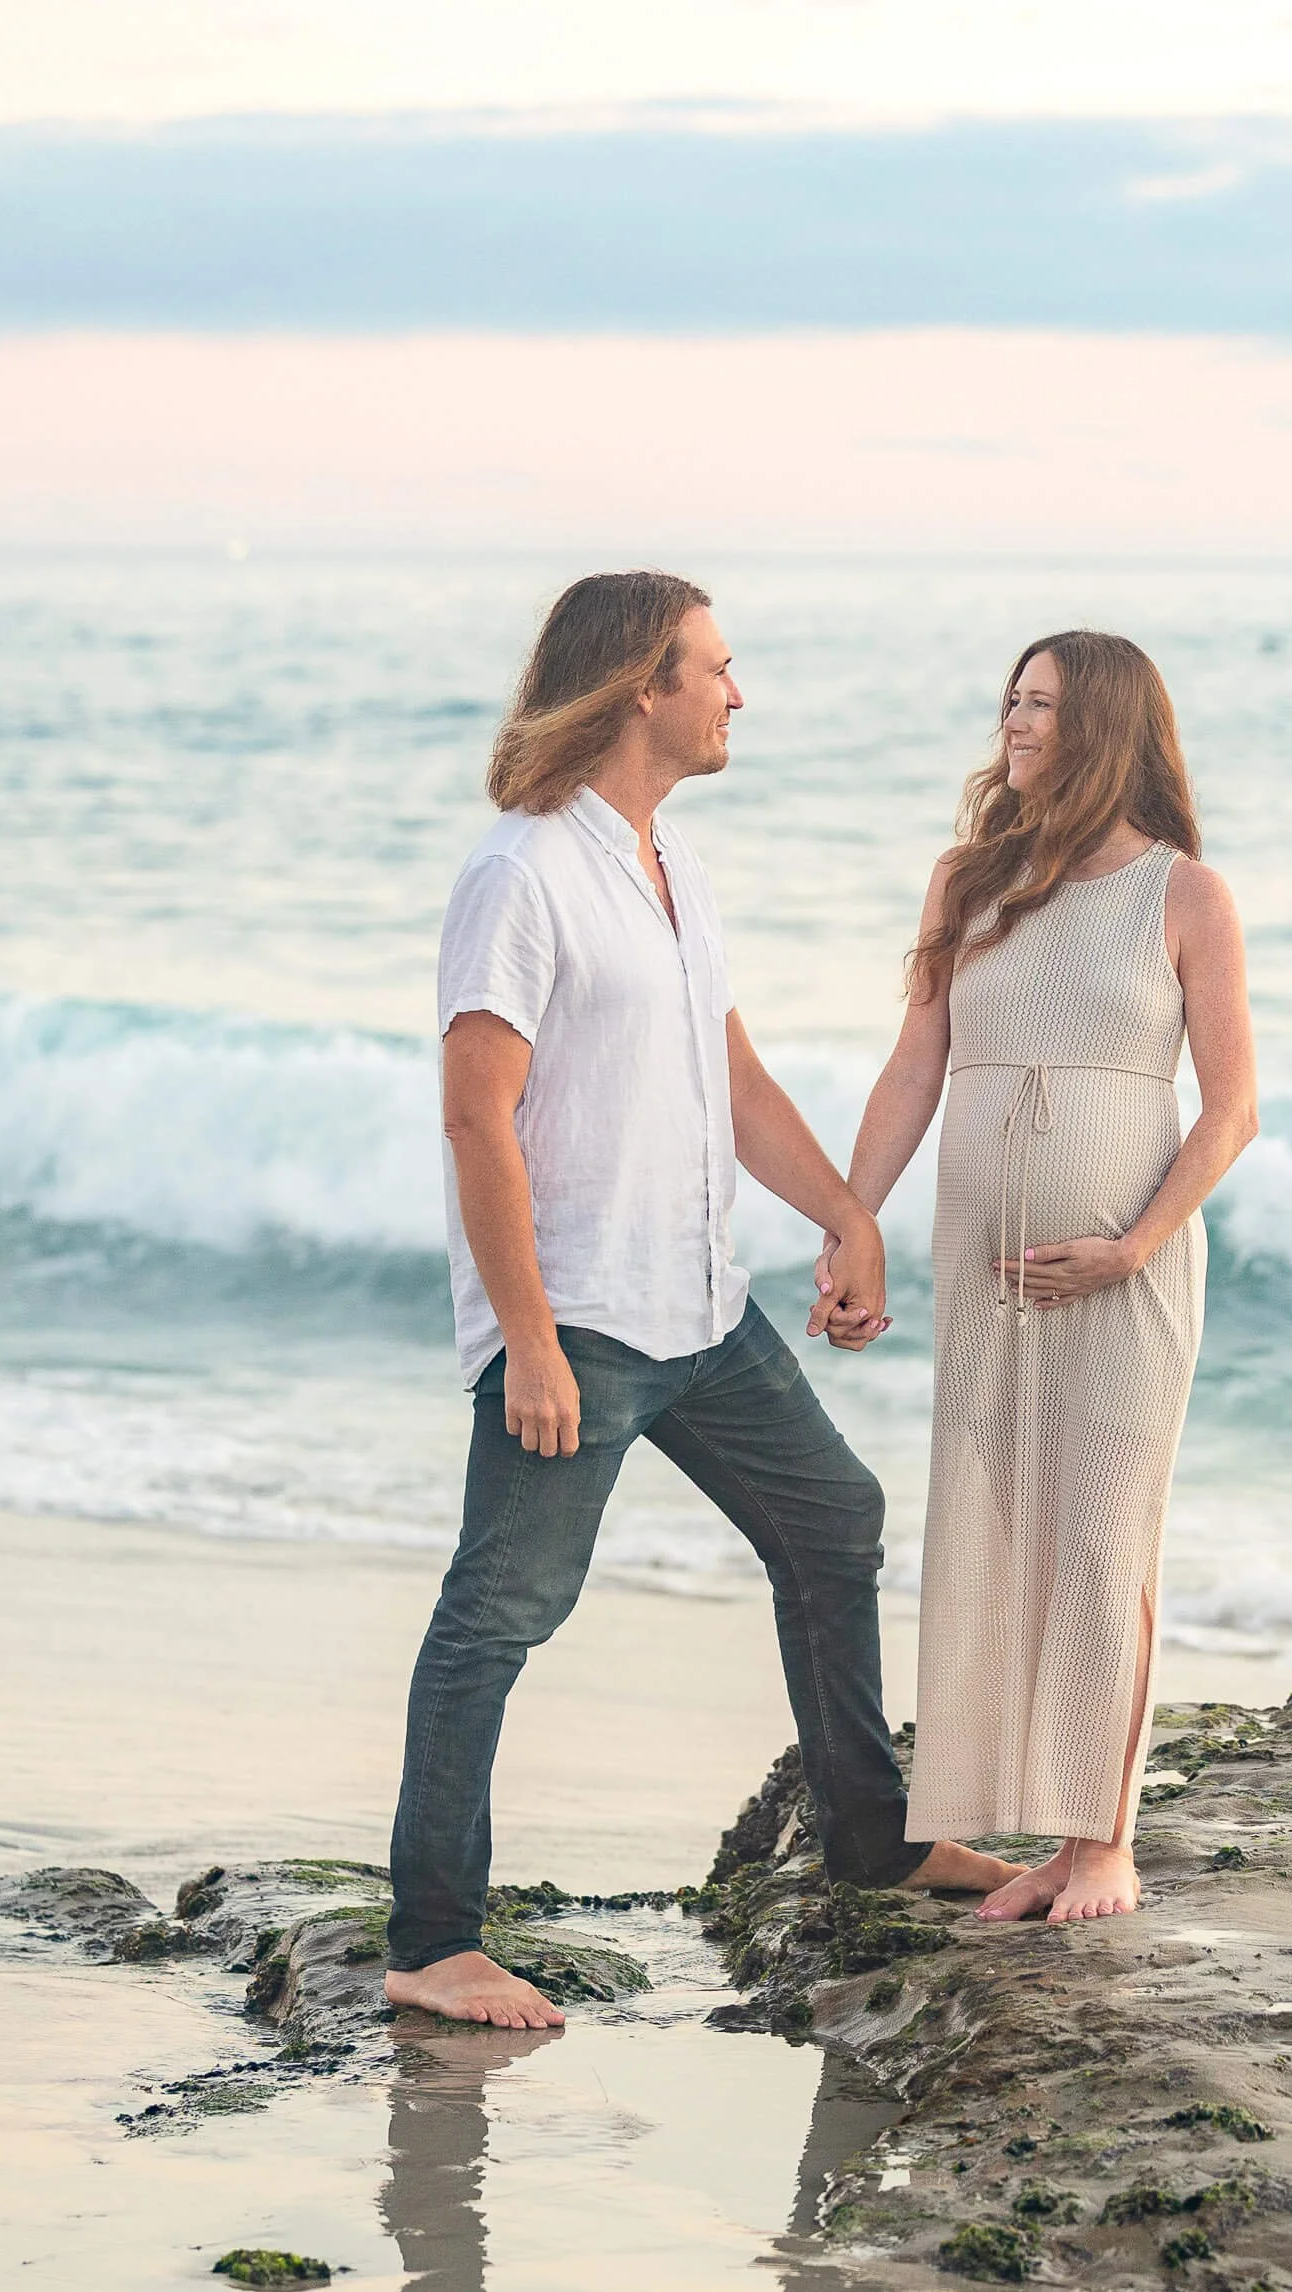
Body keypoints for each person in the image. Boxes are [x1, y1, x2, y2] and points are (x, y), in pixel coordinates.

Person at [385, 571, 1022, 2030]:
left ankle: (870, 1835)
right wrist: (528, 1342)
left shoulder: (676, 877)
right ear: (638, 690)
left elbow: (729, 1082)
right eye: (716, 668)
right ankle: (430, 1941)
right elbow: (478, 1120)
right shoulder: (522, 872)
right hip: (585, 1321)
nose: (738, 694)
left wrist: (847, 1214)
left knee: (833, 1519)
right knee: (499, 1614)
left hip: (698, 1309)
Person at [832, 631, 1257, 1925]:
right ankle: (1043, 1838)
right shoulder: (966, 880)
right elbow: (915, 1067)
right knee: (1002, 1534)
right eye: (1010, 701)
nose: (1015, 724)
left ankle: (1104, 1840)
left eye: (1045, 707)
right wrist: (853, 1225)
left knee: (1101, 1537)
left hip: (1121, 1271)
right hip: (984, 1264)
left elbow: (1231, 1109)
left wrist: (1130, 1244)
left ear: (1108, 730)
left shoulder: (1183, 893)